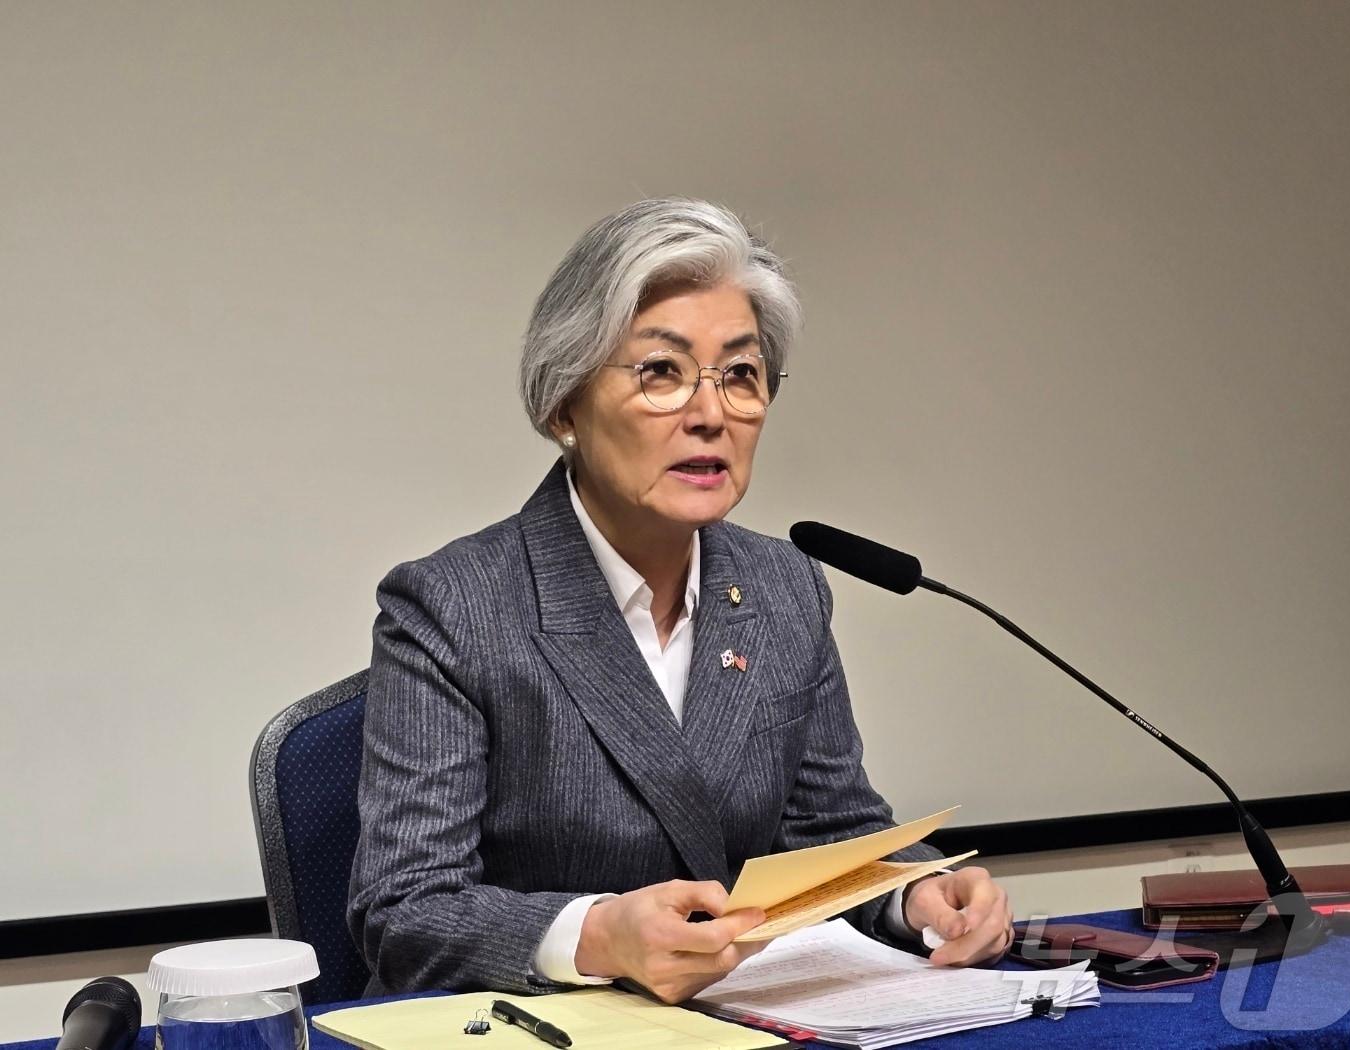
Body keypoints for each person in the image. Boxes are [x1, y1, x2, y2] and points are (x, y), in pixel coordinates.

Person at [348, 198, 1013, 1003]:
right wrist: (598, 937)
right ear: (564, 405)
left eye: (740, 375)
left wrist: (915, 900)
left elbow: (832, 837)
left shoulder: (785, 588)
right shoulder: (453, 607)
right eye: (660, 372)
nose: (709, 414)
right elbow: (404, 910)